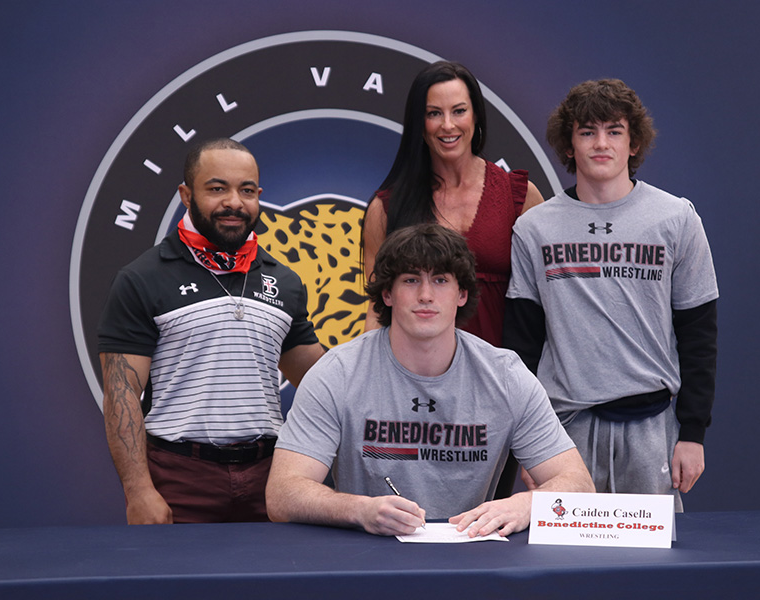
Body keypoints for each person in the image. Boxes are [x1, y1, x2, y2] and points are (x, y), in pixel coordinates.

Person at [266, 223, 593, 537]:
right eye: (410, 280)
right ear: (388, 294)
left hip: (471, 561)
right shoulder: (336, 373)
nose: (425, 295)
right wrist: (360, 511)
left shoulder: (505, 375)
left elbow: (578, 482)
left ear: (461, 294)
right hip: (366, 561)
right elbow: (282, 494)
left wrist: (526, 505)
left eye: (440, 280)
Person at [504, 79, 718, 511]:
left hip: (651, 430)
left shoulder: (676, 218)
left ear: (634, 142)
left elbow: (699, 335)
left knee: (650, 572)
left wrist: (692, 433)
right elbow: (521, 349)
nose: (601, 143)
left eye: (614, 131)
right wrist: (527, 443)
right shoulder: (534, 228)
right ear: (568, 146)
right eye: (587, 132)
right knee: (561, 569)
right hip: (562, 433)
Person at [98, 138, 324, 524]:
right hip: (181, 479)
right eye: (217, 188)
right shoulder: (142, 278)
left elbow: (322, 380)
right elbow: (121, 395)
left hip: (270, 476)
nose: (234, 202)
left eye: (247, 190)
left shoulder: (284, 282)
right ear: (186, 195)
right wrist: (138, 491)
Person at [362, 60, 545, 497]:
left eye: (459, 111)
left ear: (476, 116)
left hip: (501, 388)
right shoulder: (386, 207)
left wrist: (542, 410)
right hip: (413, 389)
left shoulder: (522, 196)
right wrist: (369, 393)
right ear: (418, 123)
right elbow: (375, 308)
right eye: (433, 113)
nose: (448, 125)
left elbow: (547, 307)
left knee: (492, 520)